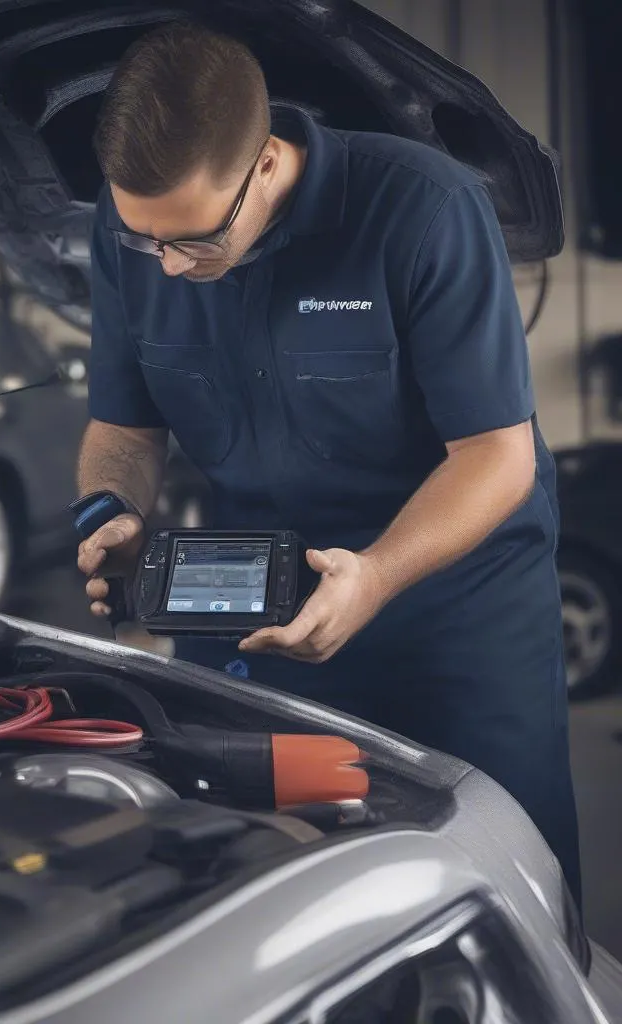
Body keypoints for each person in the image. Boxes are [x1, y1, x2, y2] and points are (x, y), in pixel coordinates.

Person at [75, 20, 583, 907]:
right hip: (265, 602)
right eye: (143, 240)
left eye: (193, 240)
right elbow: (123, 427)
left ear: (266, 164)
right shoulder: (133, 239)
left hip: (453, 616)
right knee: (278, 880)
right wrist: (109, 511)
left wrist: (378, 576)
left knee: (500, 880)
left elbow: (496, 457)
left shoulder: (423, 208)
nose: (167, 264)